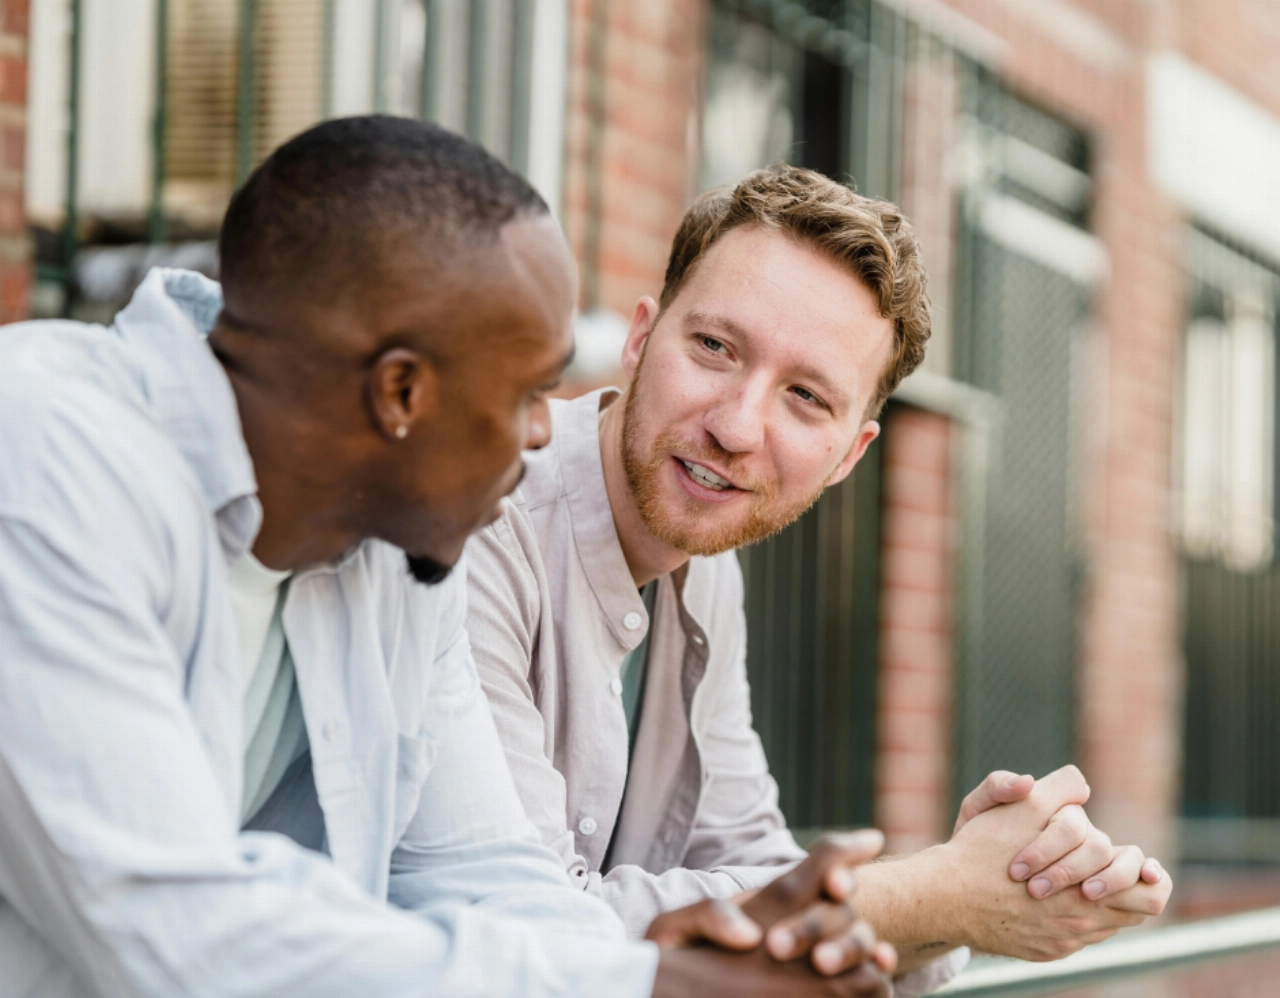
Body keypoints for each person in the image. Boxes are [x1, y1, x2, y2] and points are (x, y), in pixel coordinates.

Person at [0, 118, 898, 998]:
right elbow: (174, 926)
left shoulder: (394, 547)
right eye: (527, 392)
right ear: (401, 393)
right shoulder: (46, 460)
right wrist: (651, 985)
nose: (549, 429)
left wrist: (660, 971)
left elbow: (489, 877)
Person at [465, 165, 1174, 995]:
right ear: (639, 339)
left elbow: (748, 859)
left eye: (805, 396)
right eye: (714, 348)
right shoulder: (478, 519)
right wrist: (933, 892)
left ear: (849, 455)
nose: (734, 426)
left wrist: (980, 891)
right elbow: (525, 933)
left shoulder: (706, 571)